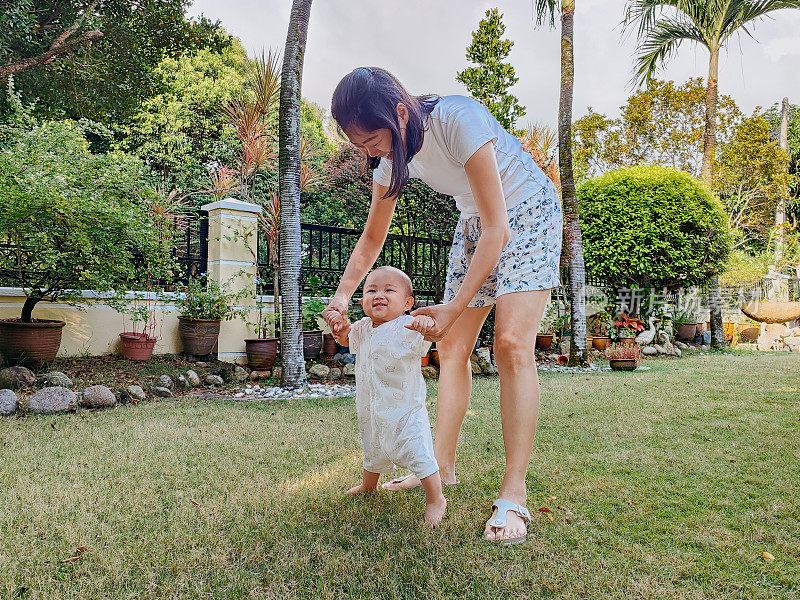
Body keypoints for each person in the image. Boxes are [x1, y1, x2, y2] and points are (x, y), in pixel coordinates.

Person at [322, 67, 562, 544]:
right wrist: (342, 296)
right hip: (478, 224)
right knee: (451, 350)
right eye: (360, 145)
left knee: (511, 344)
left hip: (527, 212)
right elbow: (373, 237)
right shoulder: (390, 162)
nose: (370, 152)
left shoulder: (459, 119)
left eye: (372, 139)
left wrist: (454, 304)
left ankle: (514, 492)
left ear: (400, 112)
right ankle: (442, 466)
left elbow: (500, 227)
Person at [328, 266, 447, 528]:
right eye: (372, 290)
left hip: (405, 410)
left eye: (388, 290)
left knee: (417, 452)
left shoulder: (409, 327)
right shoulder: (363, 327)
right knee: (372, 445)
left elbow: (433, 332)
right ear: (362, 301)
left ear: (407, 303)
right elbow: (347, 339)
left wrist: (426, 325)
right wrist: (340, 327)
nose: (379, 295)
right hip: (371, 406)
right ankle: (369, 486)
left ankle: (436, 498)